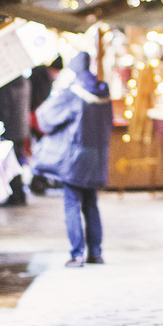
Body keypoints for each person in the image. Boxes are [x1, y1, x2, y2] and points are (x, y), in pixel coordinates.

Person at [33, 53, 115, 268]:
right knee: (91, 204)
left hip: (74, 158)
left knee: (71, 204)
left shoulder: (72, 92)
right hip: (97, 156)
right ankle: (96, 253)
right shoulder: (103, 92)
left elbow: (46, 118)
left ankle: (77, 254)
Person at [27, 56, 64, 196]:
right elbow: (41, 101)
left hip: (34, 117)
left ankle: (40, 178)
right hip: (36, 118)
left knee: (38, 149)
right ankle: (39, 178)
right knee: (40, 149)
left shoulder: (39, 74)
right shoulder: (43, 78)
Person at [0, 76, 30, 205]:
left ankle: (15, 195)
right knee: (17, 161)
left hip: (8, 128)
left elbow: (2, 108)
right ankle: (19, 194)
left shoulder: (5, 84)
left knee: (11, 162)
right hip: (21, 127)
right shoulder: (24, 82)